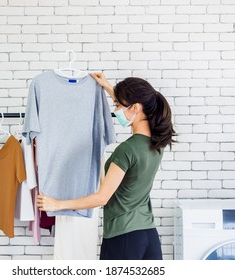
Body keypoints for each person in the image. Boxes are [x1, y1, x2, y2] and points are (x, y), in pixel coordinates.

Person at [37, 73, 176, 260]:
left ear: (135, 107)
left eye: (118, 106)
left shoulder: (127, 150)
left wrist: (57, 204)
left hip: (124, 238)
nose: (116, 110)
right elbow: (131, 109)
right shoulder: (158, 144)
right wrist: (108, 87)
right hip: (148, 236)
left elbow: (102, 198)